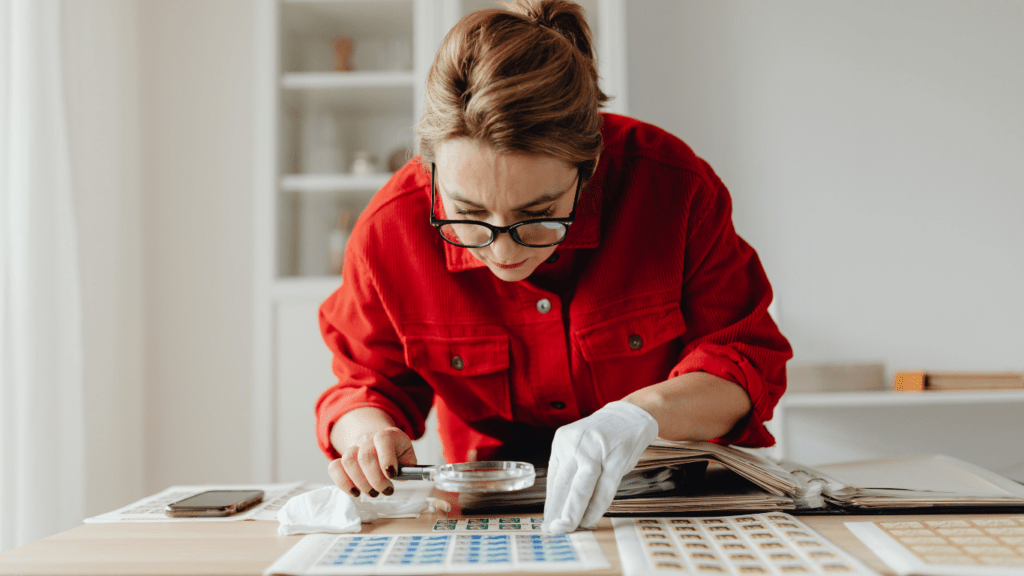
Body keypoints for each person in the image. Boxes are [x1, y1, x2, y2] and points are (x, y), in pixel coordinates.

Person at [316, 0, 792, 534]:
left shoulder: (672, 188)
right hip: (486, 510)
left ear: (586, 168)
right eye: (468, 214)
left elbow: (745, 360)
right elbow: (364, 383)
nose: (502, 251)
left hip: (664, 503)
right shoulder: (388, 229)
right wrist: (366, 435)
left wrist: (639, 416)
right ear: (429, 166)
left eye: (537, 215)